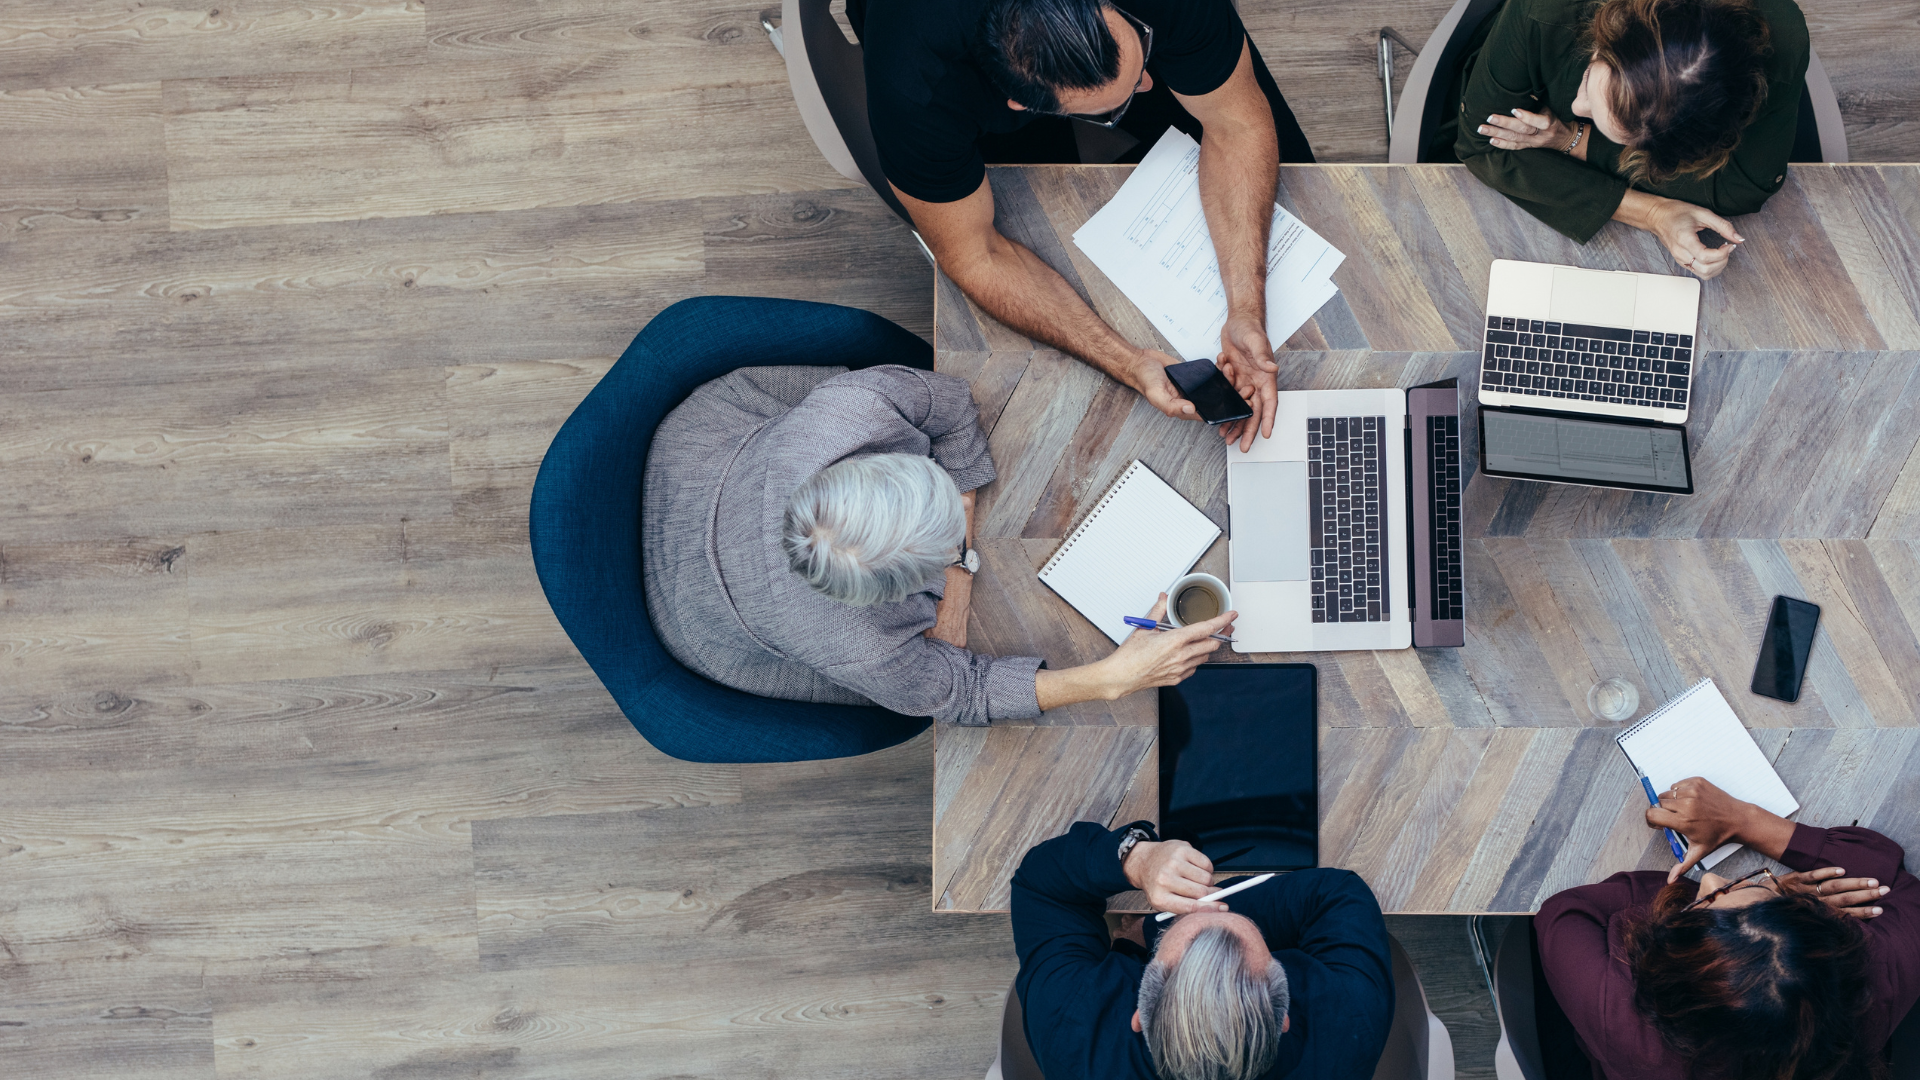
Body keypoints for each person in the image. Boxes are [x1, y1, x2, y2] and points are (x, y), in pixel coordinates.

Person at [641, 363, 1235, 727]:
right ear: (890, 595)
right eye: (947, 551)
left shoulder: (854, 409)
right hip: (700, 613)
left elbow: (949, 410)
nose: (961, 514)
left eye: (940, 491)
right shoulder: (861, 646)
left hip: (701, 448)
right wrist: (1111, 678)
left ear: (879, 462)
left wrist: (961, 552)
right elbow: (960, 693)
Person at [855, 0, 1318, 452]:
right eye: (1111, 109)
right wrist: (1128, 363)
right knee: (1034, 211)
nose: (1152, 84)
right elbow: (977, 254)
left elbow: (1236, 125)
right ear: (1020, 103)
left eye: (1140, 62)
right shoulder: (917, 88)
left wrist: (1245, 310)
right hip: (938, 58)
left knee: (1294, 183)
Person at [1535, 776, 1920, 1080]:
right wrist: (1746, 822)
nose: (1712, 879)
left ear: (1672, 975)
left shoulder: (1624, 1020)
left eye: (1705, 902)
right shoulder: (1862, 989)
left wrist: (1747, 892)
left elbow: (1565, 910)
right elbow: (1897, 884)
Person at [1451, 0, 1808, 281]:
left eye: (1629, 140)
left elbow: (1741, 188)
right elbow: (1480, 144)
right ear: (1613, 28)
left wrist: (1571, 140)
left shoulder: (1782, 37)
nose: (1577, 106)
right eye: (1591, 76)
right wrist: (1652, 212)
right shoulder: (1548, 9)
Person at [1009, 821, 1393, 1079]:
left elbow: (1041, 887)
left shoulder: (1074, 1032)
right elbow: (1338, 896)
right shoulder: (1348, 1020)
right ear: (1285, 1017)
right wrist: (1170, 921)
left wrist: (1137, 860)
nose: (1200, 915)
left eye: (1186, 931)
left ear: (1140, 1015)